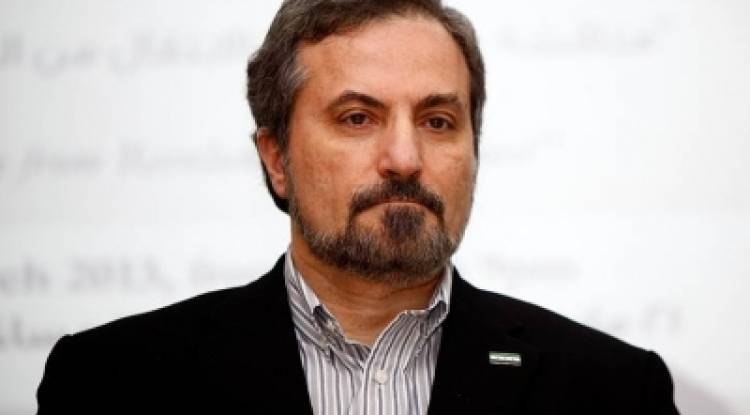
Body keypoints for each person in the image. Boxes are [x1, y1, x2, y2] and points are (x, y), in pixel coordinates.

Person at [36, 1, 680, 414]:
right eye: (357, 117)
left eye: (437, 121)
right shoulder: (112, 383)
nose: (404, 158)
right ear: (277, 158)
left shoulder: (613, 390)